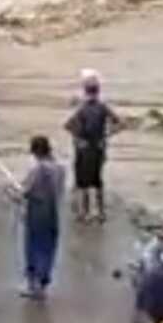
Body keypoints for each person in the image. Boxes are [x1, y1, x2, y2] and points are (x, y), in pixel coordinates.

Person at [64, 71, 120, 223]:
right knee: (97, 180)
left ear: (85, 91)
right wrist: (107, 135)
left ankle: (85, 213)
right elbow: (119, 123)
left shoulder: (83, 108)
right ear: (98, 91)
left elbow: (68, 125)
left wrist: (78, 139)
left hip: (84, 149)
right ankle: (101, 213)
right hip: (99, 148)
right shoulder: (103, 107)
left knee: (83, 182)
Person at [17, 135, 66, 300]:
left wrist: (15, 192)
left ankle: (34, 284)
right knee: (48, 247)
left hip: (37, 210)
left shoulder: (37, 169)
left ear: (35, 151)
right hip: (53, 211)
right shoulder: (60, 168)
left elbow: (26, 191)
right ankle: (43, 283)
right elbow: (59, 191)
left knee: (33, 246)